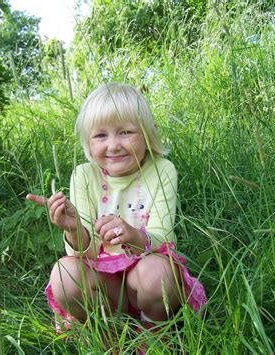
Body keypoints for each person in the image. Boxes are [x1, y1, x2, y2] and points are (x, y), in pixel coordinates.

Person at [26, 83, 206, 333]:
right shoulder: (84, 175)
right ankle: (106, 331)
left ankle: (154, 330)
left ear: (147, 133)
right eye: (100, 136)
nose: (113, 145)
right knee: (64, 273)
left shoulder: (161, 169)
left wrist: (132, 235)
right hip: (106, 286)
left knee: (157, 273)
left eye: (125, 132)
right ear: (88, 142)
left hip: (146, 280)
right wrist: (73, 228)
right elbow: (81, 254)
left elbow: (163, 236)